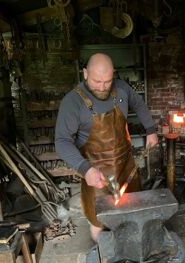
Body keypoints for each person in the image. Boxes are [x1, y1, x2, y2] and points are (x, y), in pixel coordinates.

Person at [55, 53, 158, 242]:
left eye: (107, 81)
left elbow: (139, 104)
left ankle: (130, 249)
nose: (102, 87)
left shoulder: (122, 89)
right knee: (98, 220)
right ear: (85, 73)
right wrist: (85, 170)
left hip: (126, 165)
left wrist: (150, 129)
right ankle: (103, 253)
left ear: (114, 75)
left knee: (132, 211)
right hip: (97, 173)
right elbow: (62, 141)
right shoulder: (72, 102)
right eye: (97, 81)